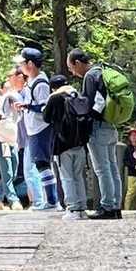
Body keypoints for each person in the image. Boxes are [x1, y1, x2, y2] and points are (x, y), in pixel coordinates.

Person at [66, 48, 122, 220]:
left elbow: (92, 104)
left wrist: (86, 119)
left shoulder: (90, 76)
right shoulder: (102, 71)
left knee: (102, 169)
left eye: (72, 68)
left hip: (98, 127)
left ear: (77, 62)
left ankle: (107, 206)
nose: (73, 73)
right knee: (112, 168)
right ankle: (116, 207)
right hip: (111, 125)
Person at [42, 73, 90, 219]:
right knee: (78, 176)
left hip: (62, 145)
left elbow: (46, 118)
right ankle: (82, 208)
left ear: (53, 87)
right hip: (80, 144)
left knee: (67, 177)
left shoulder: (55, 98)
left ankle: (73, 208)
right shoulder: (77, 95)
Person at [17, 48, 59, 210]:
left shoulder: (41, 83)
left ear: (30, 64)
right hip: (33, 129)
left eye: (22, 63)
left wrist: (27, 106)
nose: (20, 67)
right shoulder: (32, 81)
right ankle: (50, 200)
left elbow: (44, 108)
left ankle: (52, 201)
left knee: (43, 164)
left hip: (41, 129)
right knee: (41, 164)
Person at [0, 67, 23, 211]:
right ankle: (13, 200)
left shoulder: (15, 104)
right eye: (6, 89)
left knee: (13, 172)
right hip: (0, 140)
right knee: (7, 171)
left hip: (13, 141)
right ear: (1, 90)